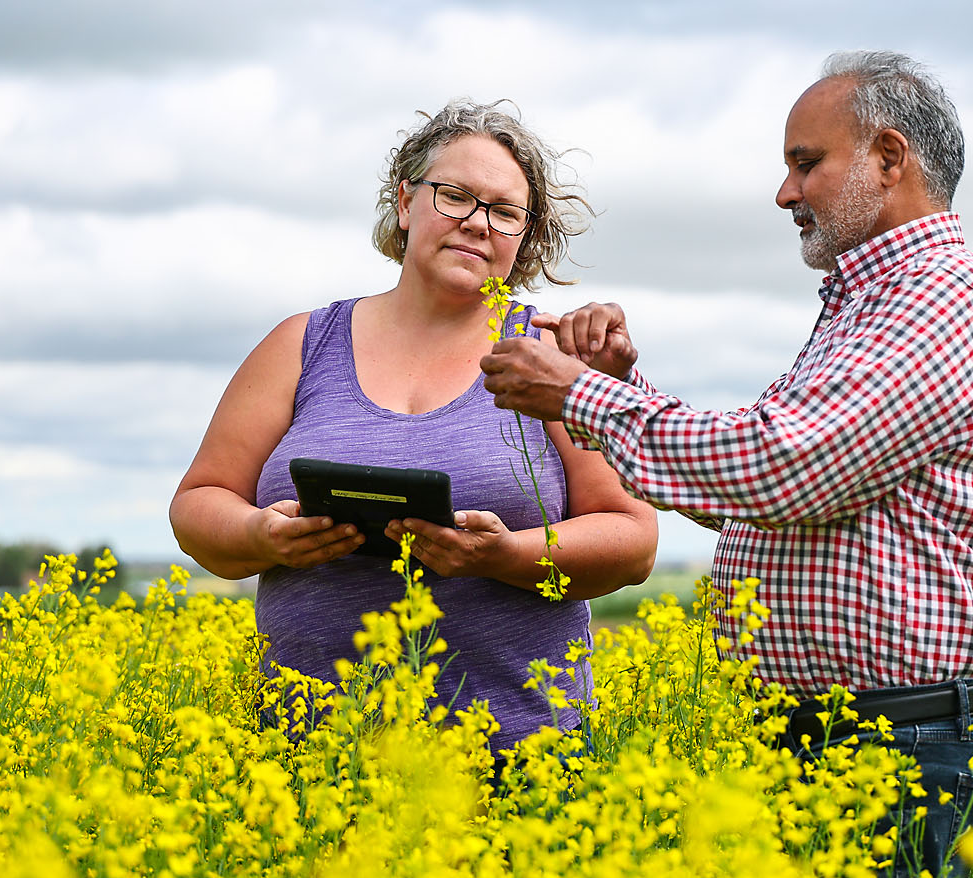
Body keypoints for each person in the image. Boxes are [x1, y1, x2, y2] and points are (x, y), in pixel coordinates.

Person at [480, 52, 973, 878]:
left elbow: (783, 465)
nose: (785, 193)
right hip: (841, 740)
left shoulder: (941, 300)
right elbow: (755, 497)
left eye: (806, 163)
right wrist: (617, 383)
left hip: (899, 747)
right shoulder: (868, 306)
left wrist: (579, 396)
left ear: (889, 158)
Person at [170, 100, 657, 763]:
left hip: (516, 758)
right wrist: (262, 536)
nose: (477, 223)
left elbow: (632, 539)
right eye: (454, 196)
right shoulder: (301, 345)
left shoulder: (551, 355)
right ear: (405, 202)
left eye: (504, 211)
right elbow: (198, 504)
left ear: (525, 235)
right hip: (304, 765)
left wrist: (504, 556)